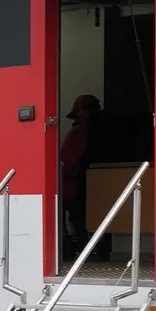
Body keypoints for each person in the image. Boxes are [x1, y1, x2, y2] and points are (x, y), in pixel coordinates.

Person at [60, 94, 101, 260]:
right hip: (96, 180)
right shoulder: (104, 130)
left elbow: (66, 161)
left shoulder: (78, 131)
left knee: (74, 217)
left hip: (75, 183)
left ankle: (71, 247)